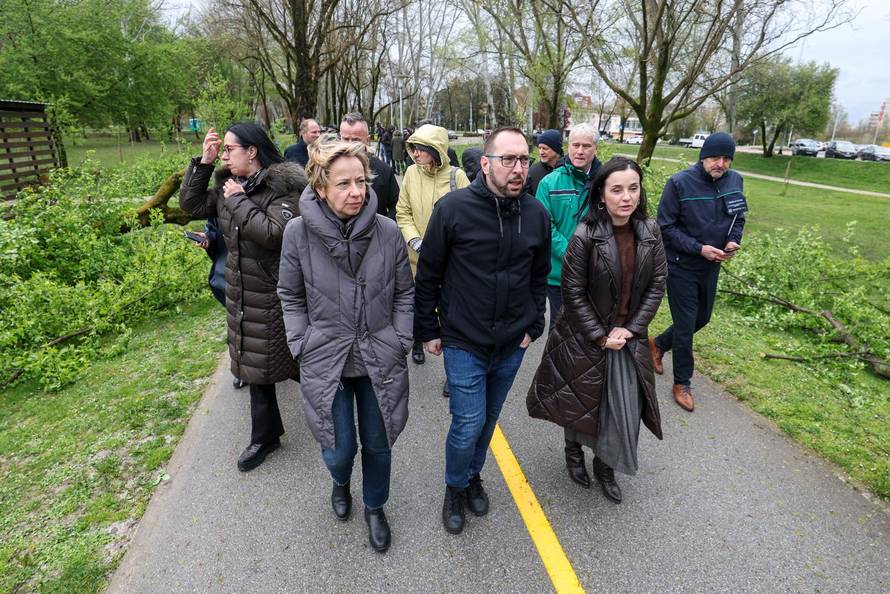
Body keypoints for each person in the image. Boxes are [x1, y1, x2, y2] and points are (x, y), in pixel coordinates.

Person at [277, 135, 414, 554]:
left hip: (378, 358)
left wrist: (399, 339)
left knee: (378, 442)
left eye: (361, 181)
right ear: (320, 187)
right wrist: (301, 342)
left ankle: (375, 506)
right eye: (344, 184)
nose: (356, 192)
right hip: (325, 359)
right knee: (338, 449)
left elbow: (405, 294)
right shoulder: (298, 234)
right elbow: (290, 294)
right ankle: (339, 481)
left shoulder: (388, 232)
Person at [414, 127, 550, 535]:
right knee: (468, 423)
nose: (518, 169)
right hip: (463, 340)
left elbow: (539, 276)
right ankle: (455, 487)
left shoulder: (536, 214)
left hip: (512, 343)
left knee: (489, 421)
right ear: (486, 163)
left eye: (524, 160)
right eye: (508, 160)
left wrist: (534, 325)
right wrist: (428, 329)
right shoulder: (453, 209)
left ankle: (473, 475)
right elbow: (429, 275)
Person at [527, 157, 666, 504]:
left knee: (623, 409)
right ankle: (573, 453)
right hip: (585, 337)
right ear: (601, 195)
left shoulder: (650, 231)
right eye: (616, 189)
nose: (626, 197)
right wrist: (600, 335)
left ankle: (606, 466)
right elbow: (572, 292)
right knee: (581, 403)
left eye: (633, 188)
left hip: (627, 340)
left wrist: (631, 331)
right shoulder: (585, 234)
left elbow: (657, 284)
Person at [179, 123, 306, 472]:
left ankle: (340, 406)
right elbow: (190, 205)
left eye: (229, 149)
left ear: (252, 151)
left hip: (277, 294)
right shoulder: (227, 186)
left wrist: (238, 200)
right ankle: (266, 436)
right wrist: (203, 164)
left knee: (299, 361)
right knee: (255, 365)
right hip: (242, 292)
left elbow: (272, 234)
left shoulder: (284, 188)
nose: (224, 155)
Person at [649, 132, 745, 412]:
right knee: (686, 325)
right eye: (716, 157)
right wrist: (698, 247)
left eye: (727, 158)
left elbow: (738, 216)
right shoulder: (679, 183)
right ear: (703, 156)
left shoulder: (735, 180)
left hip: (711, 264)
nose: (721, 164)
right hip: (680, 264)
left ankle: (657, 344)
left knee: (702, 318)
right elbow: (664, 228)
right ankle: (683, 383)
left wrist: (732, 239)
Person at [396, 124, 470, 367]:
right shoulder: (410, 174)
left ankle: (454, 367)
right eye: (414, 148)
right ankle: (418, 340)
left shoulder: (456, 176)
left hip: (451, 259)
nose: (415, 153)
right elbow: (403, 212)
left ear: (436, 149)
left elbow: (469, 216)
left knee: (451, 311)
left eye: (421, 149)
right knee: (419, 301)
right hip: (416, 256)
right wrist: (415, 241)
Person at [535, 123, 602, 331]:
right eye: (575, 145)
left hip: (595, 272)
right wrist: (572, 253)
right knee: (561, 329)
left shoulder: (606, 182)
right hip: (559, 274)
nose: (580, 151)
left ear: (596, 149)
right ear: (568, 146)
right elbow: (545, 226)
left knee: (590, 329)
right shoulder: (549, 183)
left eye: (586, 146)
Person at [189, 218, 244, 389]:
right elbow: (214, 228)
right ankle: (242, 370)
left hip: (258, 269)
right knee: (236, 323)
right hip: (228, 272)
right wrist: (208, 238)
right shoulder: (220, 194)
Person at [339, 112, 400, 219]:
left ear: (367, 140)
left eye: (355, 140)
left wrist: (384, 230)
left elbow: (397, 207)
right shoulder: (328, 170)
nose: (349, 145)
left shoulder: (384, 170)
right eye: (345, 139)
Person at [526, 129, 564, 196]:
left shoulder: (568, 169)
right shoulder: (532, 171)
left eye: (545, 148)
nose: (541, 152)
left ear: (556, 149)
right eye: (540, 148)